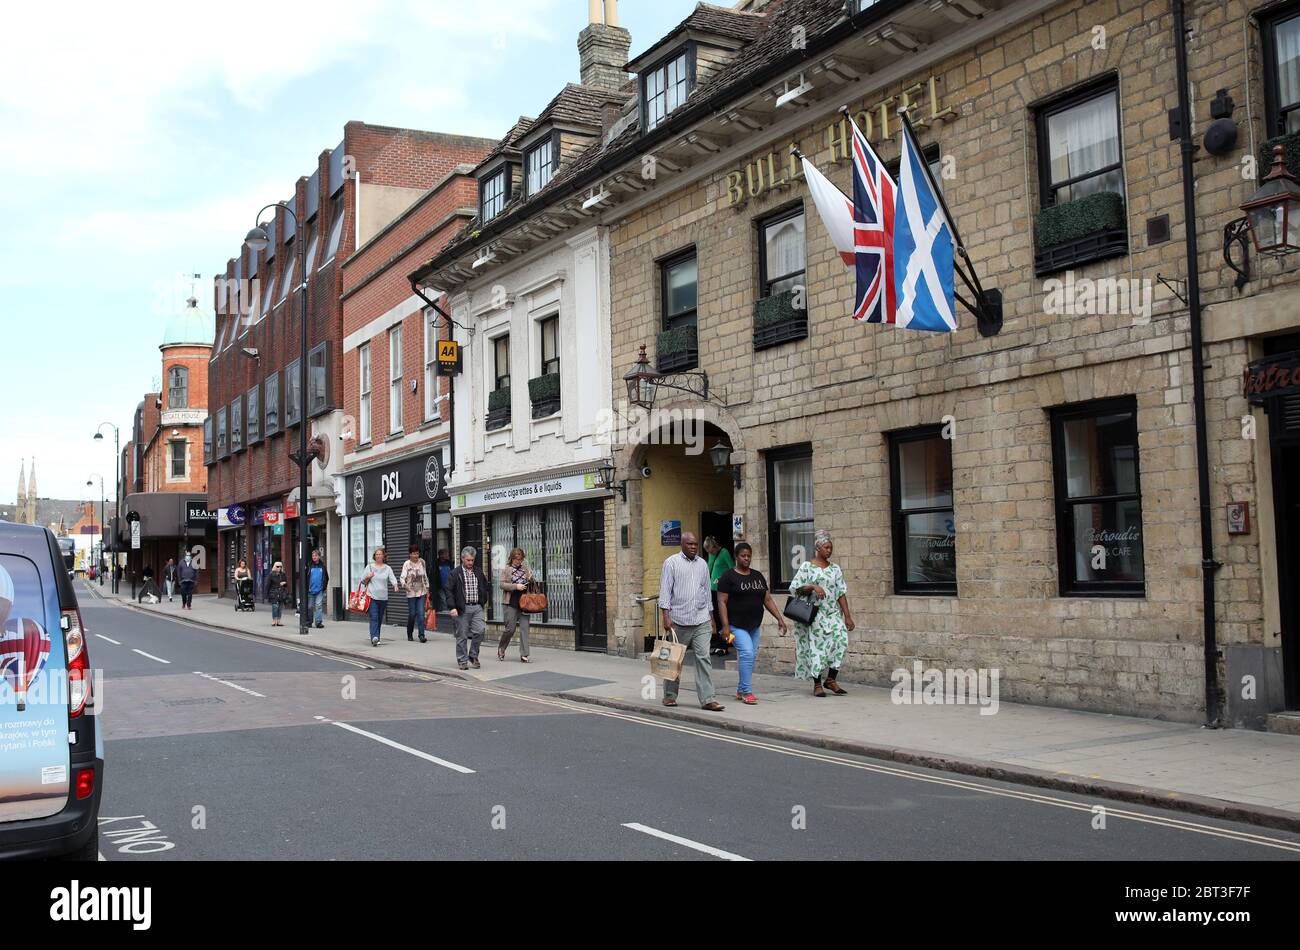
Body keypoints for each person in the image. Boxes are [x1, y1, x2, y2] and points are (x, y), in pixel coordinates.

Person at [658, 531, 725, 711]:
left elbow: (706, 592)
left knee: (704, 657)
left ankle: (708, 699)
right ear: (682, 544)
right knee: (675, 660)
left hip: (701, 619)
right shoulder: (671, 563)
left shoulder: (703, 564)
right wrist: (666, 616)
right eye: (690, 544)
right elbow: (665, 591)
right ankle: (670, 696)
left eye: (695, 544)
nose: (694, 547)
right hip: (678, 620)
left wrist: (712, 618)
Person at [716, 542, 788, 705]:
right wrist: (725, 626)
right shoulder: (728, 577)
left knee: (750, 656)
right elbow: (722, 602)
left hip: (754, 625)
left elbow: (767, 599)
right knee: (747, 654)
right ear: (736, 557)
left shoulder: (757, 576)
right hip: (735, 625)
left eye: (749, 556)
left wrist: (780, 619)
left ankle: (741, 689)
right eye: (743, 556)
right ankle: (747, 692)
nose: (746, 558)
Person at [789, 529, 855, 698]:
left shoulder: (835, 569)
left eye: (830, 547)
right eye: (826, 547)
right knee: (817, 649)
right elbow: (795, 589)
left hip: (833, 614)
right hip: (816, 614)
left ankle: (831, 679)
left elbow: (841, 593)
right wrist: (812, 586)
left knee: (841, 642)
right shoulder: (807, 567)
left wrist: (847, 616)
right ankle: (817, 684)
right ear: (818, 548)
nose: (829, 550)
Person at [448, 546, 488, 670]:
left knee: (480, 631)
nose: (470, 563)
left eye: (472, 560)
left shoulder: (479, 572)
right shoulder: (455, 573)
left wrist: (483, 601)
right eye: (468, 560)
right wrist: (452, 607)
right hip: (462, 608)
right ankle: (462, 660)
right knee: (462, 635)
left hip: (476, 607)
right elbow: (449, 591)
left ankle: (473, 655)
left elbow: (485, 587)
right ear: (462, 559)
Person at [498, 547, 533, 662]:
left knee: (524, 628)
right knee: (510, 629)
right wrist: (515, 586)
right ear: (512, 558)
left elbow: (531, 584)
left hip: (524, 602)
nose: (518, 561)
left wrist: (531, 579)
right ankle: (502, 648)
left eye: (520, 559)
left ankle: (524, 654)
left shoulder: (525, 568)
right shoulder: (507, 569)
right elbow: (502, 585)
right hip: (511, 602)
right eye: (516, 559)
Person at [360, 547, 399, 647]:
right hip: (372, 596)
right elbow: (362, 581)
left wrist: (395, 586)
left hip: (383, 598)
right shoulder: (369, 567)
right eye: (376, 554)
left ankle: (377, 637)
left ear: (383, 556)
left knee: (379, 618)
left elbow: (393, 578)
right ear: (374, 556)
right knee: (374, 617)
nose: (378, 556)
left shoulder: (387, 568)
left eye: (380, 554)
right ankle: (374, 637)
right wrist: (368, 576)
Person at [704, 536, 734, 655]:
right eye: (708, 551)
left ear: (715, 546)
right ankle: (718, 644)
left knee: (724, 618)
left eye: (711, 550)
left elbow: (732, 568)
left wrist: (722, 578)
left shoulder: (724, 552)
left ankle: (726, 645)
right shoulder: (711, 554)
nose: (710, 552)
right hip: (712, 589)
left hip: (723, 590)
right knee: (715, 618)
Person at [400, 544, 430, 643]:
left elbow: (424, 576)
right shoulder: (406, 564)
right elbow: (402, 577)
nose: (416, 556)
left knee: (421, 614)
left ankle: (422, 635)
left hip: (421, 591)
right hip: (411, 592)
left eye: (417, 553)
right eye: (413, 553)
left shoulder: (422, 562)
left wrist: (428, 588)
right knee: (412, 614)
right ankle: (409, 632)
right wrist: (405, 585)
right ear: (410, 554)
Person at [307, 549, 329, 629]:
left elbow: (326, 578)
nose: (314, 557)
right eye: (313, 556)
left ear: (319, 556)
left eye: (316, 555)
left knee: (318, 606)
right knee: (310, 606)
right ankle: (309, 622)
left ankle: (318, 622)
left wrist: (323, 587)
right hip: (310, 590)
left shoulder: (322, 566)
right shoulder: (309, 565)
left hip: (319, 590)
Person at [267, 561, 289, 626]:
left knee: (280, 607)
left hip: (281, 592)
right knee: (275, 606)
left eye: (280, 566)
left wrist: (284, 583)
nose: (279, 568)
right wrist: (267, 594)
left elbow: (286, 583)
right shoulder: (271, 574)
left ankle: (279, 621)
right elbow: (268, 585)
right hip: (273, 592)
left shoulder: (283, 574)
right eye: (277, 566)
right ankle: (274, 620)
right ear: (274, 567)